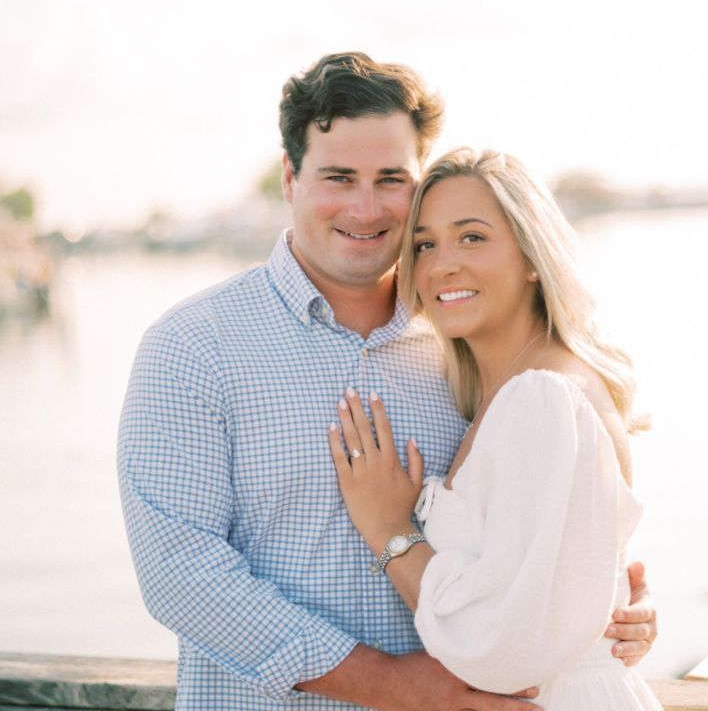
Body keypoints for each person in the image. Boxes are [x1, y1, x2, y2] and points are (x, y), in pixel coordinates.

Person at [118, 53, 657, 711]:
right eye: (339, 177)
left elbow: (538, 529)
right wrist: (391, 684)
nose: (366, 207)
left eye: (391, 180)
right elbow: (180, 575)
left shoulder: (464, 345)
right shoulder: (193, 349)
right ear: (290, 178)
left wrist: (606, 606)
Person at [328, 147, 663, 709]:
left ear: (532, 255)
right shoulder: (501, 393)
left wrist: (389, 530)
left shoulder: (542, 396)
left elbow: (497, 647)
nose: (442, 265)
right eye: (424, 245)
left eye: (472, 237)